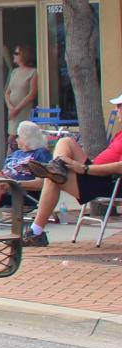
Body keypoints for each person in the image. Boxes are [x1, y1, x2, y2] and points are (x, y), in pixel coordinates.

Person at [24, 92, 122, 247]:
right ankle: (56, 168)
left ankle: (36, 232)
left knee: (52, 179)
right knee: (65, 142)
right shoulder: (120, 134)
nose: (117, 110)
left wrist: (84, 168)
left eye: (119, 106)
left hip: (107, 181)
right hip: (94, 173)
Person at [5, 44, 38, 145]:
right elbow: (7, 92)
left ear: (24, 55)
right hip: (13, 111)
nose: (13, 55)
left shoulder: (33, 72)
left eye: (16, 53)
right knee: (11, 139)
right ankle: (9, 160)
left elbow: (32, 94)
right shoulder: (14, 72)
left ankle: (20, 159)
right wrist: (10, 107)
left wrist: (17, 109)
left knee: (22, 138)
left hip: (23, 110)